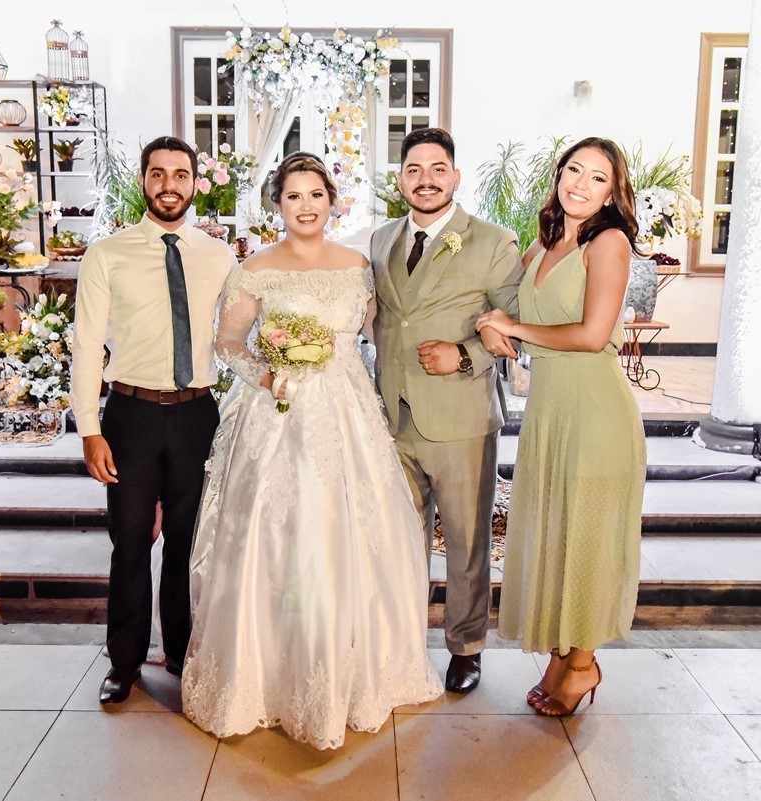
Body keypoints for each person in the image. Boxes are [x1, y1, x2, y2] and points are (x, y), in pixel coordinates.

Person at [182, 152, 442, 750]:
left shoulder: (358, 266)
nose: (306, 206)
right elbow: (229, 343)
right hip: (277, 413)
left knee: (351, 532)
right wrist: (269, 374)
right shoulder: (255, 269)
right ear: (277, 203)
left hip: (349, 413)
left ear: (332, 201)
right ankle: (267, 669)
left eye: (316, 195)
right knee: (276, 537)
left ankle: (356, 667)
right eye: (293, 196)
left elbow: (375, 334)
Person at [476, 137, 647, 716]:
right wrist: (493, 325)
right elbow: (509, 309)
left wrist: (511, 329)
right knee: (556, 537)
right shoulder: (545, 241)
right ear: (559, 174)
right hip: (550, 411)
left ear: (613, 193)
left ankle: (582, 663)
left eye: (598, 177)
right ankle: (560, 654)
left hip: (595, 412)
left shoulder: (609, 242)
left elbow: (593, 335)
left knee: (589, 542)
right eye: (574, 169)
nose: (581, 183)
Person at [70, 136, 236, 705]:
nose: (169, 185)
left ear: (195, 183)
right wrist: (90, 429)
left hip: (197, 415)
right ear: (143, 180)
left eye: (180, 174)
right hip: (132, 414)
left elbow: (241, 332)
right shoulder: (108, 254)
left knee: (189, 544)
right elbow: (87, 344)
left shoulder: (219, 256)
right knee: (131, 541)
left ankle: (184, 652)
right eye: (158, 174)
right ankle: (125, 660)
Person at [369, 128, 524, 694]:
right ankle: (403, 645)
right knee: (399, 541)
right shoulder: (382, 239)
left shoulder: (493, 242)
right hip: (391, 418)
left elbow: (518, 327)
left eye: (438, 169)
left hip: (461, 418)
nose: (426, 179)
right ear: (400, 179)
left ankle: (466, 647)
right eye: (414, 169)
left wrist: (465, 355)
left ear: (456, 177)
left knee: (465, 543)